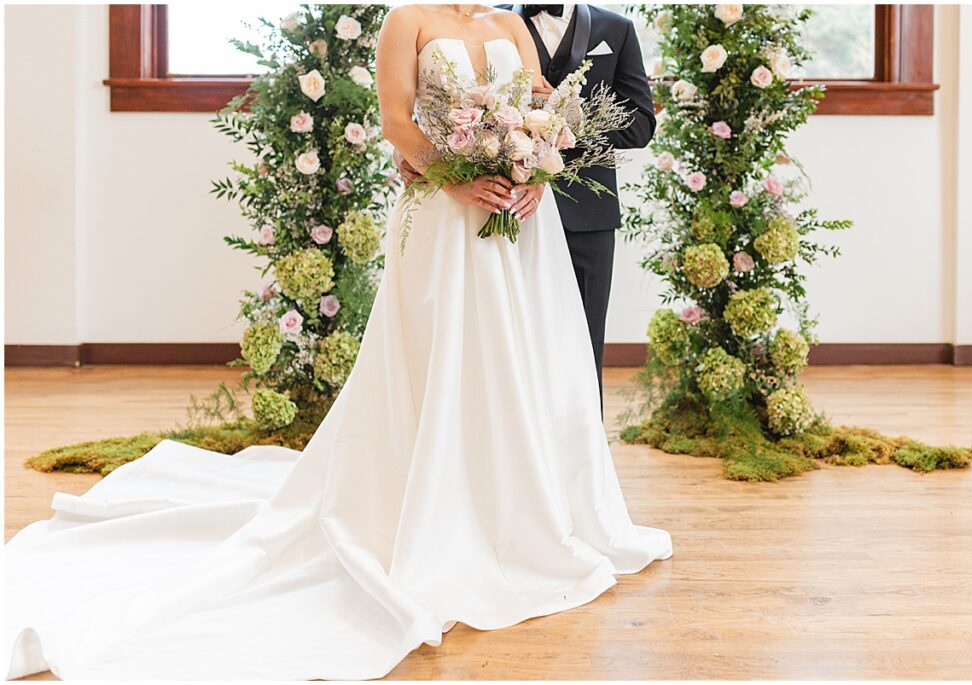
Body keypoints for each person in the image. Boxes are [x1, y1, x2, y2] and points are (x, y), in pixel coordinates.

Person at [2, 5, 671, 680]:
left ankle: (521, 506)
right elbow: (397, 122)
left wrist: (535, 175)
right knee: (439, 359)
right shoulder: (406, 19)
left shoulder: (510, 25)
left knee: (519, 361)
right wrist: (454, 175)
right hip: (443, 218)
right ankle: (434, 505)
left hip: (517, 220)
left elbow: (540, 108)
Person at [398, 4, 656, 407]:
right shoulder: (490, 20)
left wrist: (564, 120)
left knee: (581, 349)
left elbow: (641, 124)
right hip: (492, 206)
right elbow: (423, 105)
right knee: (493, 346)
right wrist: (413, 156)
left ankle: (578, 462)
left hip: (586, 212)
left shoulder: (616, 29)